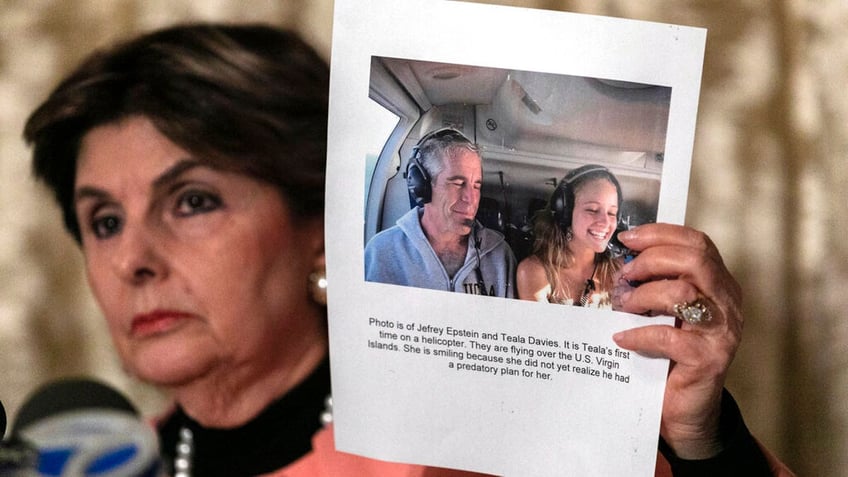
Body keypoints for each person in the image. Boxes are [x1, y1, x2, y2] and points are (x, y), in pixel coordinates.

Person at [23, 22, 793, 477]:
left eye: (192, 202)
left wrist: (705, 447)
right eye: (103, 221)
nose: (132, 261)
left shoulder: (483, 439)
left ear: (316, 227)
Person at [364, 128, 516, 297]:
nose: (471, 199)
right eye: (458, 183)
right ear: (422, 186)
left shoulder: (500, 255)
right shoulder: (382, 251)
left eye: (477, 186)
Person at [517, 165, 623, 307]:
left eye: (611, 213)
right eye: (592, 210)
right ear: (565, 213)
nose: (605, 222)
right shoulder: (535, 271)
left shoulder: (620, 274)